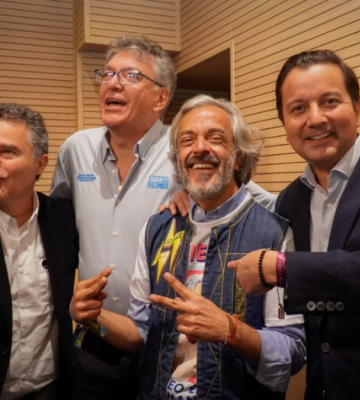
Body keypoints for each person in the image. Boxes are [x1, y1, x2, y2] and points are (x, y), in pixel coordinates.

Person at [51, 35, 275, 398]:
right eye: (107, 73)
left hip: (162, 343)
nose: (112, 83)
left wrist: (197, 190)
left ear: (161, 98)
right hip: (98, 330)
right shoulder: (75, 149)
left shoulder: (187, 147)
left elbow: (253, 200)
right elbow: (58, 230)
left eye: (129, 75)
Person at [70, 95, 306, 399]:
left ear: (238, 158)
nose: (200, 148)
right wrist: (94, 320)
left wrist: (231, 331)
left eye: (216, 138)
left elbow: (291, 353)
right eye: (187, 140)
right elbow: (141, 335)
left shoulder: (274, 234)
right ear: (178, 160)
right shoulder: (156, 230)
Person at [229, 50, 360, 399]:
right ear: (285, 124)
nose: (315, 118)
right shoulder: (290, 200)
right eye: (298, 108)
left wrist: (282, 267)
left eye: (329, 102)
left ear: (358, 108)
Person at [0, 103, 78, 400]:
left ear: (40, 164)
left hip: (49, 389)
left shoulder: (63, 219)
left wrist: (181, 194)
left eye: (7, 152)